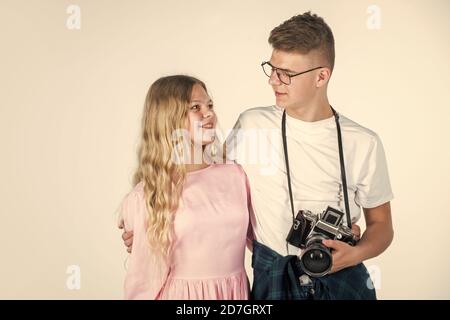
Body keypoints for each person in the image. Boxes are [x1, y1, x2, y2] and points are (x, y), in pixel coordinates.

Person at [121, 12, 394, 300]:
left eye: (286, 74)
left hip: (339, 278)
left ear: (321, 76)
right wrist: (147, 221)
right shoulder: (251, 125)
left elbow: (382, 226)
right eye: (271, 69)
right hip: (272, 276)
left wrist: (354, 254)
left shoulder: (363, 143)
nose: (274, 81)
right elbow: (203, 183)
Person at [118, 75, 253, 300]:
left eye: (209, 105)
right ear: (169, 119)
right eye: (195, 107)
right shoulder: (148, 195)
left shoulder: (235, 175)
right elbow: (143, 281)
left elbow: (261, 240)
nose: (208, 113)